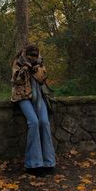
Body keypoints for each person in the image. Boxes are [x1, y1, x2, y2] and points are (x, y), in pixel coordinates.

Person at [11, 44, 56, 177]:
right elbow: (16, 80)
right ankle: (33, 164)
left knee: (44, 123)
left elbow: (43, 78)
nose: (33, 58)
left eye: (35, 56)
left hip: (39, 97)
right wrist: (25, 69)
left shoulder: (39, 61)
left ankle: (49, 163)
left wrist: (36, 69)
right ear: (26, 54)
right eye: (31, 56)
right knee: (34, 122)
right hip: (22, 96)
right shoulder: (18, 61)